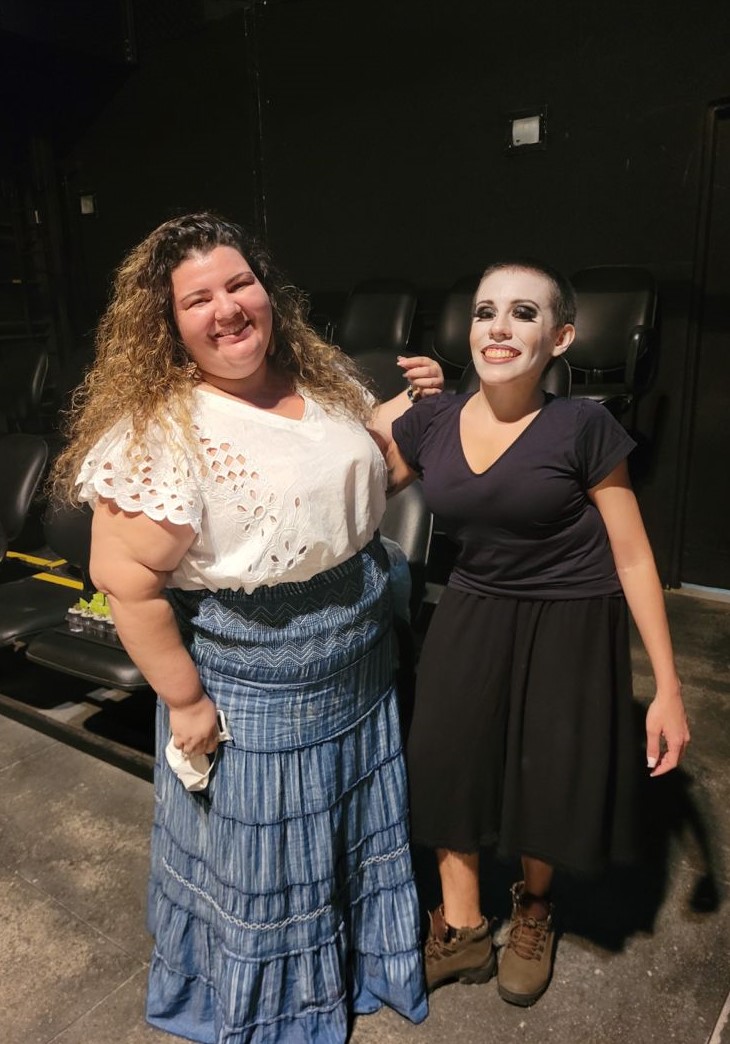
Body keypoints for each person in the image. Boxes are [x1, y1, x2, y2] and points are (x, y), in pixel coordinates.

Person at [50, 212, 444, 1043]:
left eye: (239, 284)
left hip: (359, 664)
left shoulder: (322, 379)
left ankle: (354, 964)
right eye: (198, 299)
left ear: (268, 291)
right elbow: (126, 584)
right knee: (272, 863)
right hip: (261, 694)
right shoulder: (160, 436)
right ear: (168, 323)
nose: (226, 309)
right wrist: (186, 701)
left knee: (343, 833)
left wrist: (417, 412)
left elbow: (366, 482)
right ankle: (276, 1010)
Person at [383, 259, 691, 1007]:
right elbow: (356, 463)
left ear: (560, 338)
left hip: (570, 612)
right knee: (447, 756)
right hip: (474, 603)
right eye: (485, 311)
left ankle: (534, 908)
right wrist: (406, 395)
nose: (499, 327)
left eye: (524, 313)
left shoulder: (584, 425)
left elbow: (632, 555)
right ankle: (462, 929)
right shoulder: (434, 420)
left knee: (545, 771)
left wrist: (667, 688)